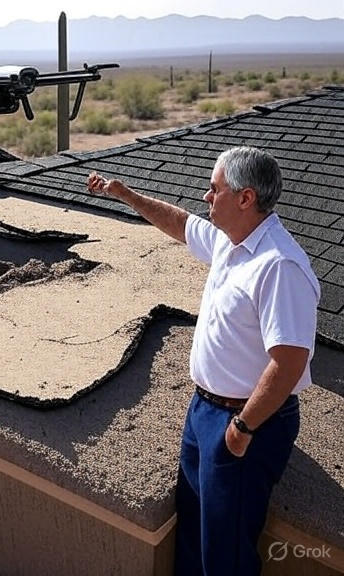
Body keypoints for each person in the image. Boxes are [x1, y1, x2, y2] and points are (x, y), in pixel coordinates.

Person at [86, 146, 320, 575]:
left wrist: (242, 429)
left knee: (225, 552)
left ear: (245, 198)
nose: (207, 198)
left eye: (215, 190)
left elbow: (289, 362)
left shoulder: (278, 266)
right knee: (196, 532)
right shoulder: (232, 241)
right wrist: (126, 195)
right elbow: (180, 222)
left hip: (245, 423)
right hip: (205, 412)